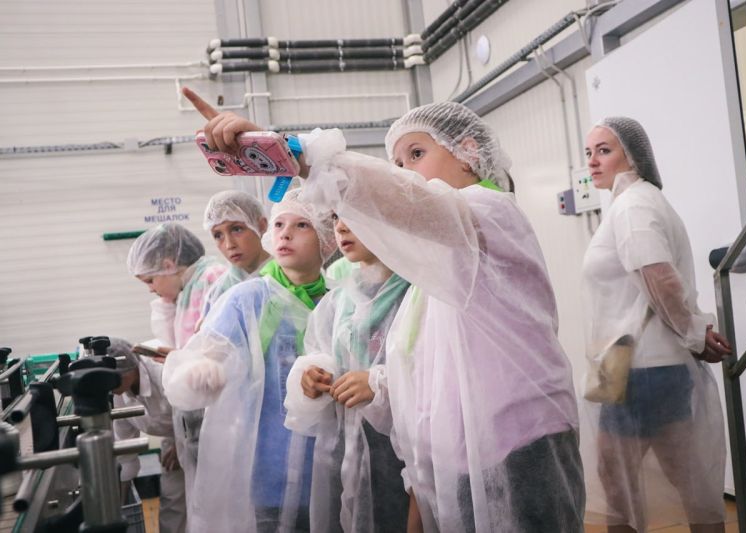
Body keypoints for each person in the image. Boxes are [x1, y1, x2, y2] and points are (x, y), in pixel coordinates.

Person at [183, 87, 585, 532]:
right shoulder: (436, 269)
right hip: (465, 456)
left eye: (416, 153)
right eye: (397, 163)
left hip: (520, 443)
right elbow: (424, 375)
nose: (405, 172)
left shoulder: (490, 213)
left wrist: (296, 156)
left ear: (469, 153)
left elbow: (411, 202)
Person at [581, 117, 731, 533]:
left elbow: (659, 278)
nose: (592, 161)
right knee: (685, 471)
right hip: (648, 365)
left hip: (639, 368)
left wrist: (695, 335)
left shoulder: (633, 207)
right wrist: (693, 335)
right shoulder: (636, 202)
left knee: (617, 480)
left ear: (634, 156)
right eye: (588, 152)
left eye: (604, 150)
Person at [162, 188, 337, 533]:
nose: (285, 233)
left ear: (327, 239)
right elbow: (201, 357)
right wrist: (201, 371)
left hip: (327, 467)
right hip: (266, 466)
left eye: (302, 225)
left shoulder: (338, 301)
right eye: (279, 224)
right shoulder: (247, 299)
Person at [285, 213, 411, 532]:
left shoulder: (416, 291)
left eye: (354, 213)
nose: (340, 227)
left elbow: (439, 375)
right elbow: (320, 349)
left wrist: (381, 384)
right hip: (345, 453)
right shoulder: (338, 301)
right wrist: (313, 376)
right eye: (336, 217)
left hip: (403, 459)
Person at [127, 222, 226, 521]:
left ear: (169, 265)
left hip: (220, 414)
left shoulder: (213, 278)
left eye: (150, 280)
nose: (151, 289)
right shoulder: (186, 291)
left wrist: (181, 358)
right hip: (199, 415)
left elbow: (219, 353)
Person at [109, 338, 186, 533]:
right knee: (172, 497)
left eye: (114, 378)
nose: (110, 386)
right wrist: (122, 501)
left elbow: (195, 409)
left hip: (199, 432)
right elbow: (126, 446)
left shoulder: (162, 372)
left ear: (130, 369)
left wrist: (181, 445)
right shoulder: (119, 395)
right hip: (173, 435)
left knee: (204, 495)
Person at [201, 189, 271, 316]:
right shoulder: (218, 293)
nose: (229, 245)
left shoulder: (291, 277)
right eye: (218, 235)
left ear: (261, 226)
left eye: (237, 229)